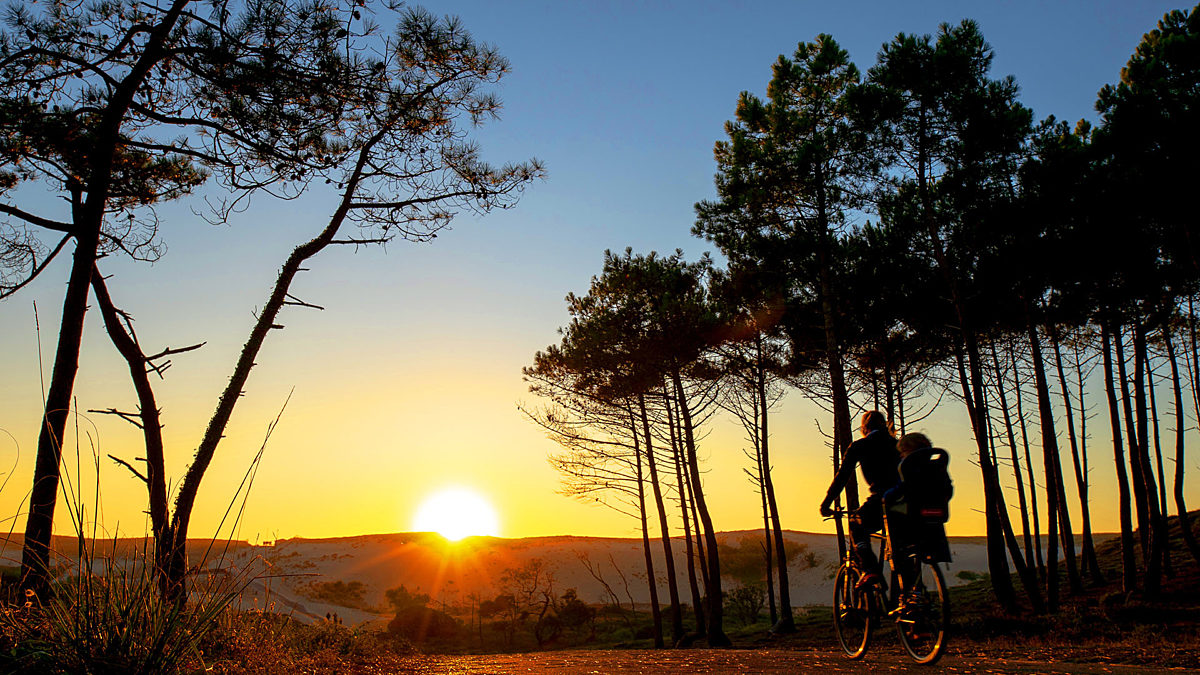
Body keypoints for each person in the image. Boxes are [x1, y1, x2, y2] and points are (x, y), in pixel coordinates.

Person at [819, 410, 899, 588]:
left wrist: (826, 503)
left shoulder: (861, 446)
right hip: (906, 503)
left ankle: (869, 569)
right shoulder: (897, 444)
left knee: (856, 523)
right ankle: (910, 595)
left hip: (883, 500)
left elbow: (842, 476)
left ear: (864, 428)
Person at [884, 432, 953, 595]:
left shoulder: (908, 468)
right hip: (936, 516)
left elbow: (902, 490)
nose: (901, 455)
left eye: (902, 452)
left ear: (908, 452)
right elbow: (948, 490)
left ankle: (903, 577)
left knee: (892, 520)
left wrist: (886, 496)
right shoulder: (938, 467)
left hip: (912, 519)